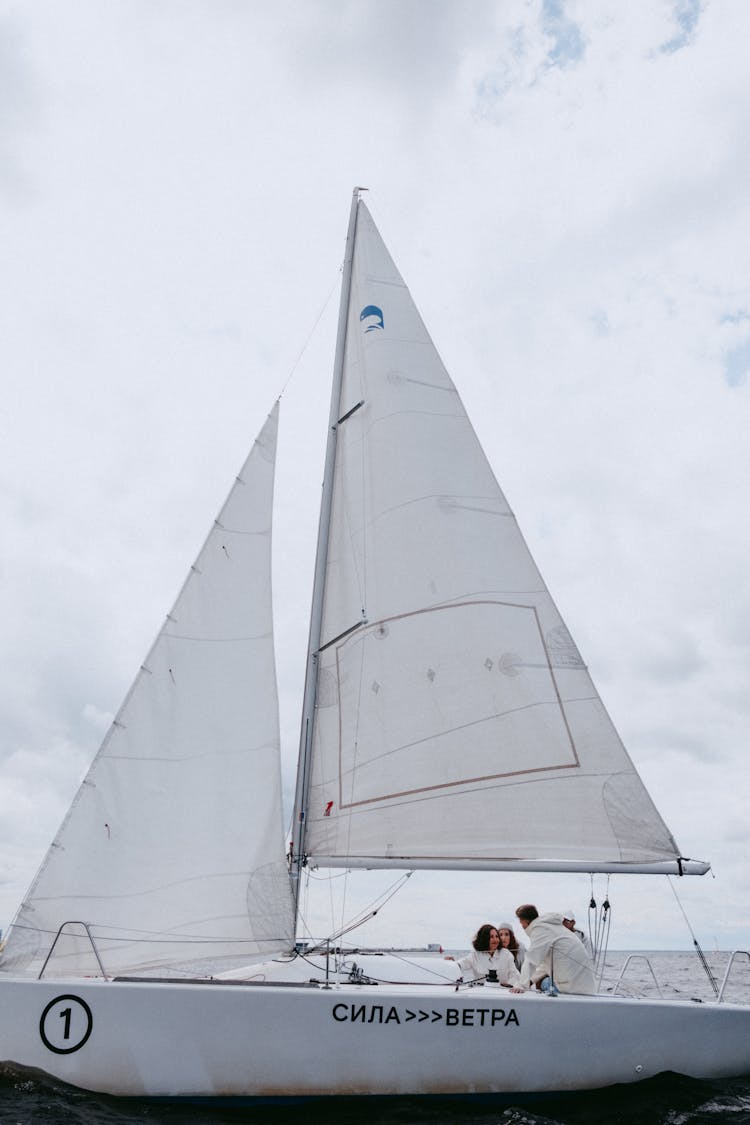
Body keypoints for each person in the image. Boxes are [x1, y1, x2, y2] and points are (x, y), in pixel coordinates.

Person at [511, 904, 596, 996]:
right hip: (585, 987)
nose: (522, 926)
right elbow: (544, 965)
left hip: (572, 989)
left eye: (521, 922)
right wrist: (528, 981)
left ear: (524, 921)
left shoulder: (540, 929)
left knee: (543, 982)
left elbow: (531, 960)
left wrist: (521, 985)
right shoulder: (550, 927)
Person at [455, 924, 520, 985]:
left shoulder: (506, 954)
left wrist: (510, 984)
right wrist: (451, 963)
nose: (495, 940)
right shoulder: (475, 954)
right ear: (484, 939)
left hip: (502, 992)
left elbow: (514, 974)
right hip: (481, 993)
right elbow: (462, 964)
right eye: (491, 937)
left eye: (497, 936)